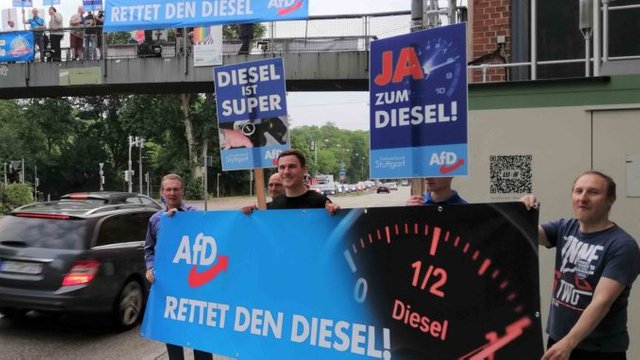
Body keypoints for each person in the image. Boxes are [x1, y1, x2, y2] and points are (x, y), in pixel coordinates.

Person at [521, 171, 640, 360]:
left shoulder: (622, 246)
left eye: (593, 192)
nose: (583, 198)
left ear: (610, 200)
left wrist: (569, 342)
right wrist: (522, 212)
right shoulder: (565, 227)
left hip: (598, 350)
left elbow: (601, 303)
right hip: (559, 341)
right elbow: (525, 234)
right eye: (578, 191)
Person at [144, 174, 213, 360]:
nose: (172, 193)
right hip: (169, 290)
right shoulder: (155, 220)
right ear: (162, 192)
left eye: (176, 189)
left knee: (200, 337)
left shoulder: (195, 215)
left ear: (182, 191)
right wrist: (150, 268)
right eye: (168, 189)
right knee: (173, 337)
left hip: (195, 288)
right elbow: (149, 249)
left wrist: (179, 222)